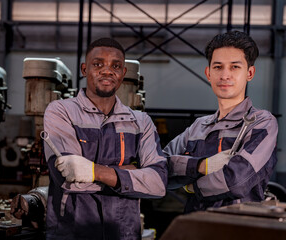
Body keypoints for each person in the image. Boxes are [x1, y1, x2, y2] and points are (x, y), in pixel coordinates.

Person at [43, 38, 168, 240]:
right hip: (72, 233)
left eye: (116, 66)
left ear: (123, 73)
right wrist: (131, 174)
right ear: (84, 69)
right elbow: (69, 178)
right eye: (98, 64)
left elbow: (158, 184)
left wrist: (93, 171)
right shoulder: (61, 111)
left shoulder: (140, 122)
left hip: (123, 233)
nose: (107, 71)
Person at [163, 31, 278, 213]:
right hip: (196, 227)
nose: (225, 75)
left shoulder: (261, 123)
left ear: (250, 73)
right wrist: (202, 166)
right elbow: (159, 167)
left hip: (239, 228)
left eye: (234, 67)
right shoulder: (197, 128)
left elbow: (236, 181)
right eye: (218, 67)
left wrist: (191, 186)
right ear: (208, 73)